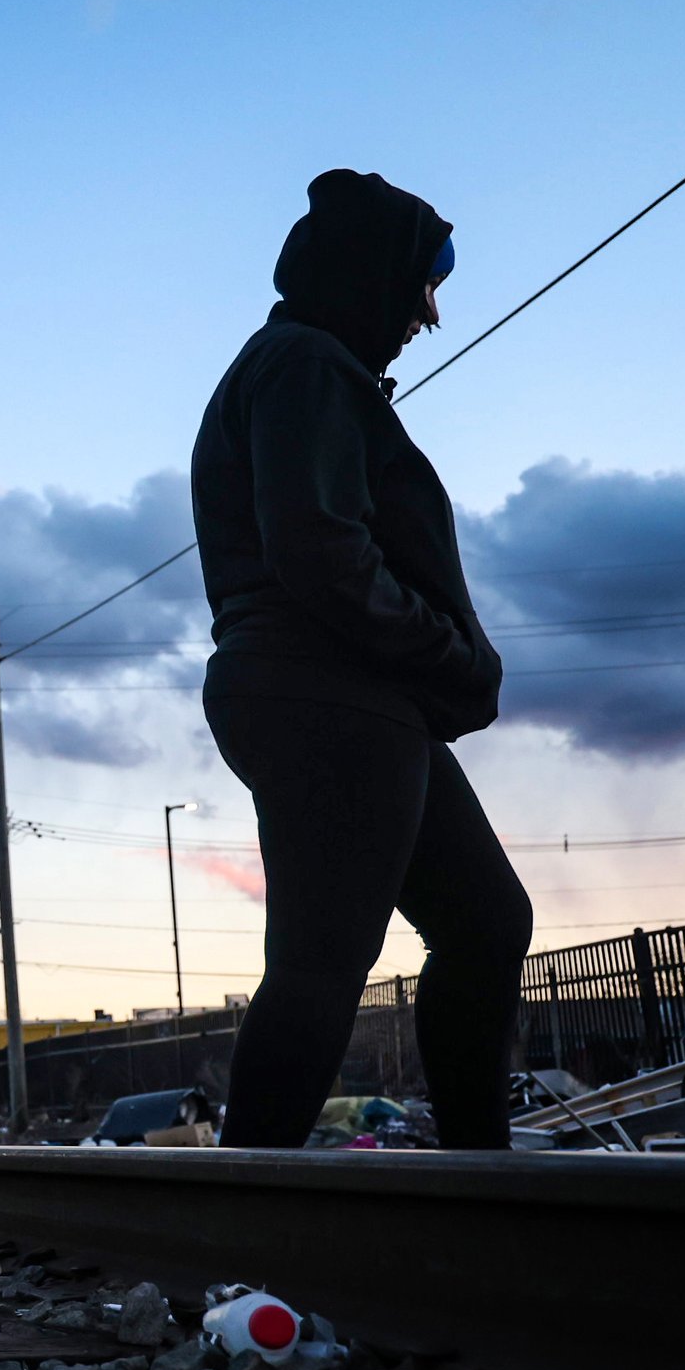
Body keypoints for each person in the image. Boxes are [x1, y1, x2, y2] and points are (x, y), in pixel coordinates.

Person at [191, 169, 532, 1150]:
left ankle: (479, 1179)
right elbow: (319, 551)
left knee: (484, 920)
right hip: (326, 690)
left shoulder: (301, 367)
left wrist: (440, 668)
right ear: (371, 275)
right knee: (319, 957)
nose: (430, 316)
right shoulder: (303, 365)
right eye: (422, 287)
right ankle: (238, 1224)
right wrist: (448, 653)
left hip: (356, 694)